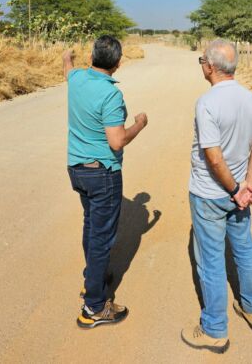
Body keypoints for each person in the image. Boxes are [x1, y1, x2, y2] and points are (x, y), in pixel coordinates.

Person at [181, 39, 252, 354]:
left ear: (210, 66)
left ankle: (214, 329)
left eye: (202, 59)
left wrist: (234, 189)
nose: (201, 64)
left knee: (211, 260)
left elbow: (213, 158)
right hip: (240, 193)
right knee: (244, 248)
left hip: (210, 194)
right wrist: (248, 187)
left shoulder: (207, 103)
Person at [64, 35, 148, 329]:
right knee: (102, 238)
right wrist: (139, 123)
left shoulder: (76, 79)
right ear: (118, 63)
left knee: (91, 225)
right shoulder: (111, 95)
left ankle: (94, 279)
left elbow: (67, 69)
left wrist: (67, 56)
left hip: (77, 170)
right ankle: (94, 308)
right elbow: (117, 140)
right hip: (103, 173)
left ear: (92, 58)